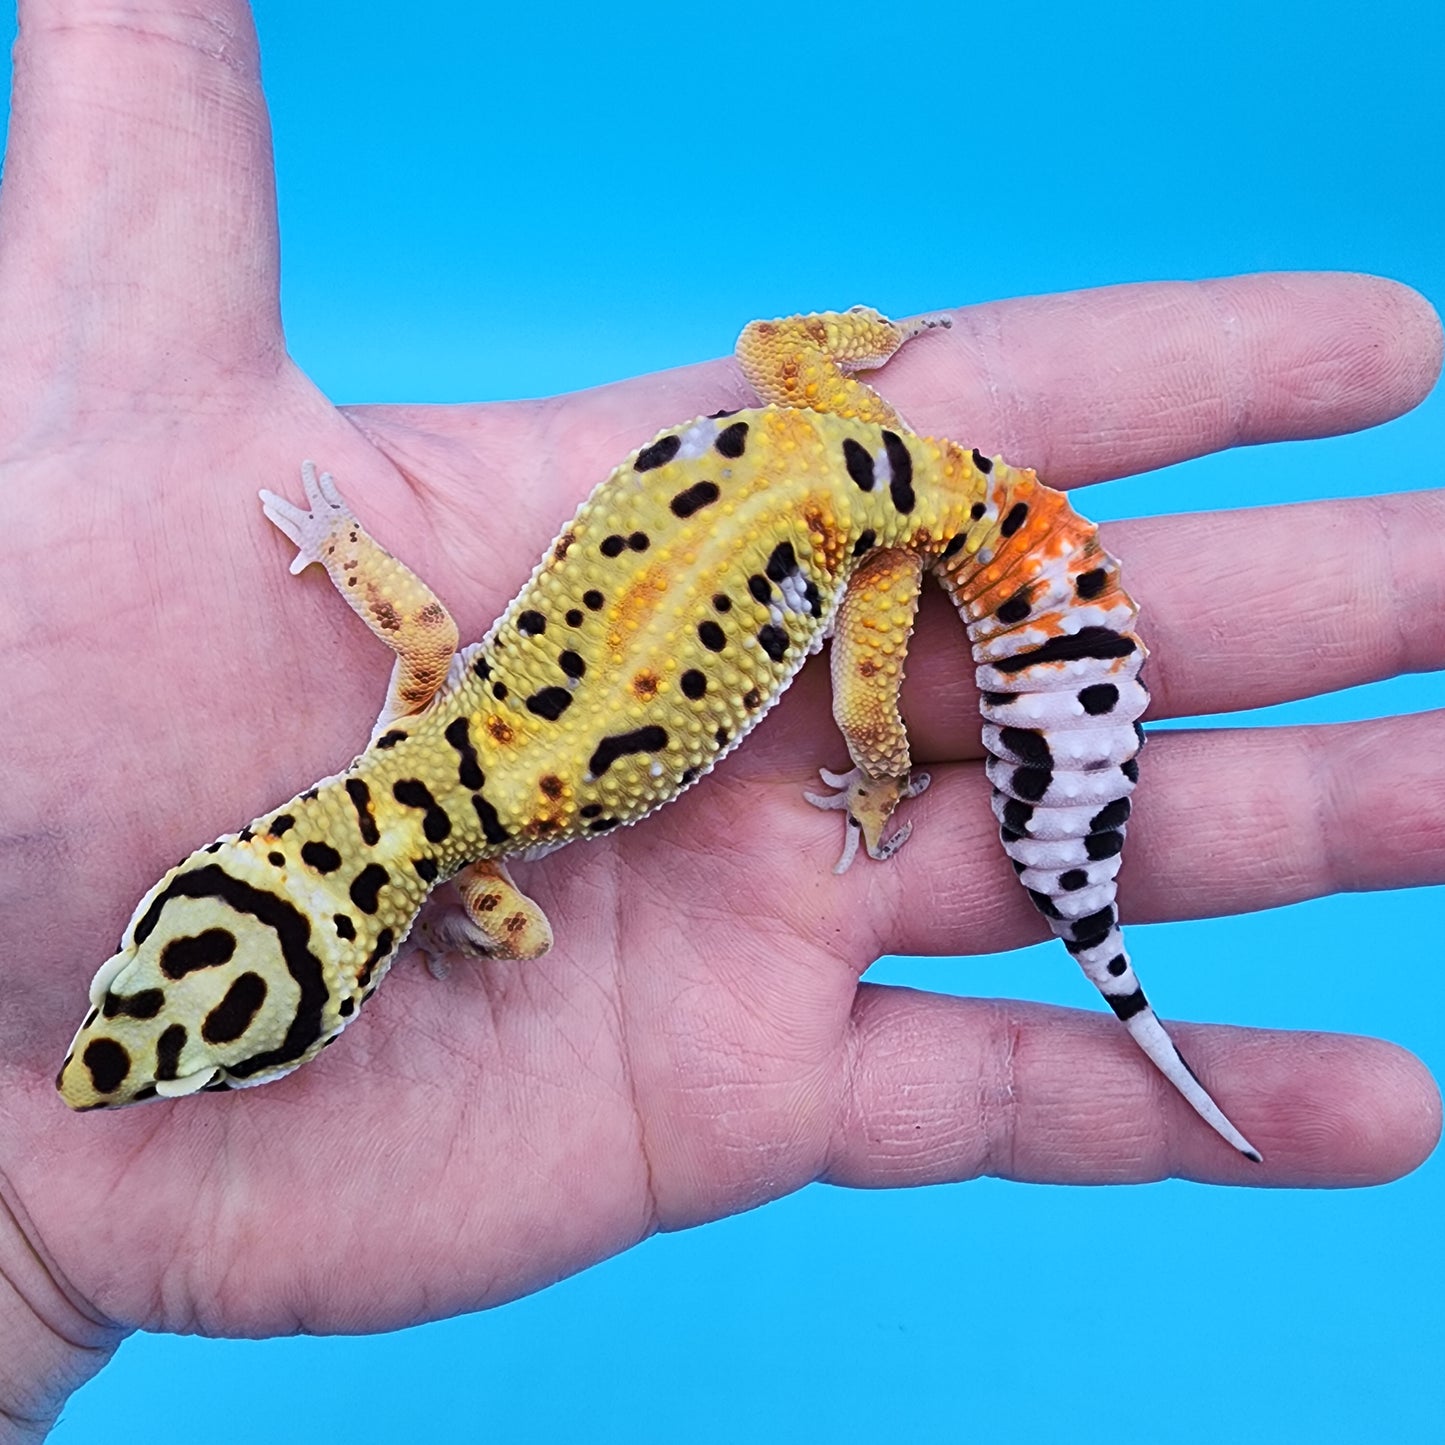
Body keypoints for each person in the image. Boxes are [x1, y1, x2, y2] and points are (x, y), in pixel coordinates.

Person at [0, 2, 1441, 1437]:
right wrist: (337, 544)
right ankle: (921, 570)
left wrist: (876, 777)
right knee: (766, 346)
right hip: (806, 423)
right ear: (248, 854)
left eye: (142, 995)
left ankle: (917, 796)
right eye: (175, 1022)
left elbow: (520, 930)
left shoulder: (476, 870)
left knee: (866, 707)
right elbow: (419, 623)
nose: (110, 1041)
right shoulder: (420, 722)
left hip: (868, 532)